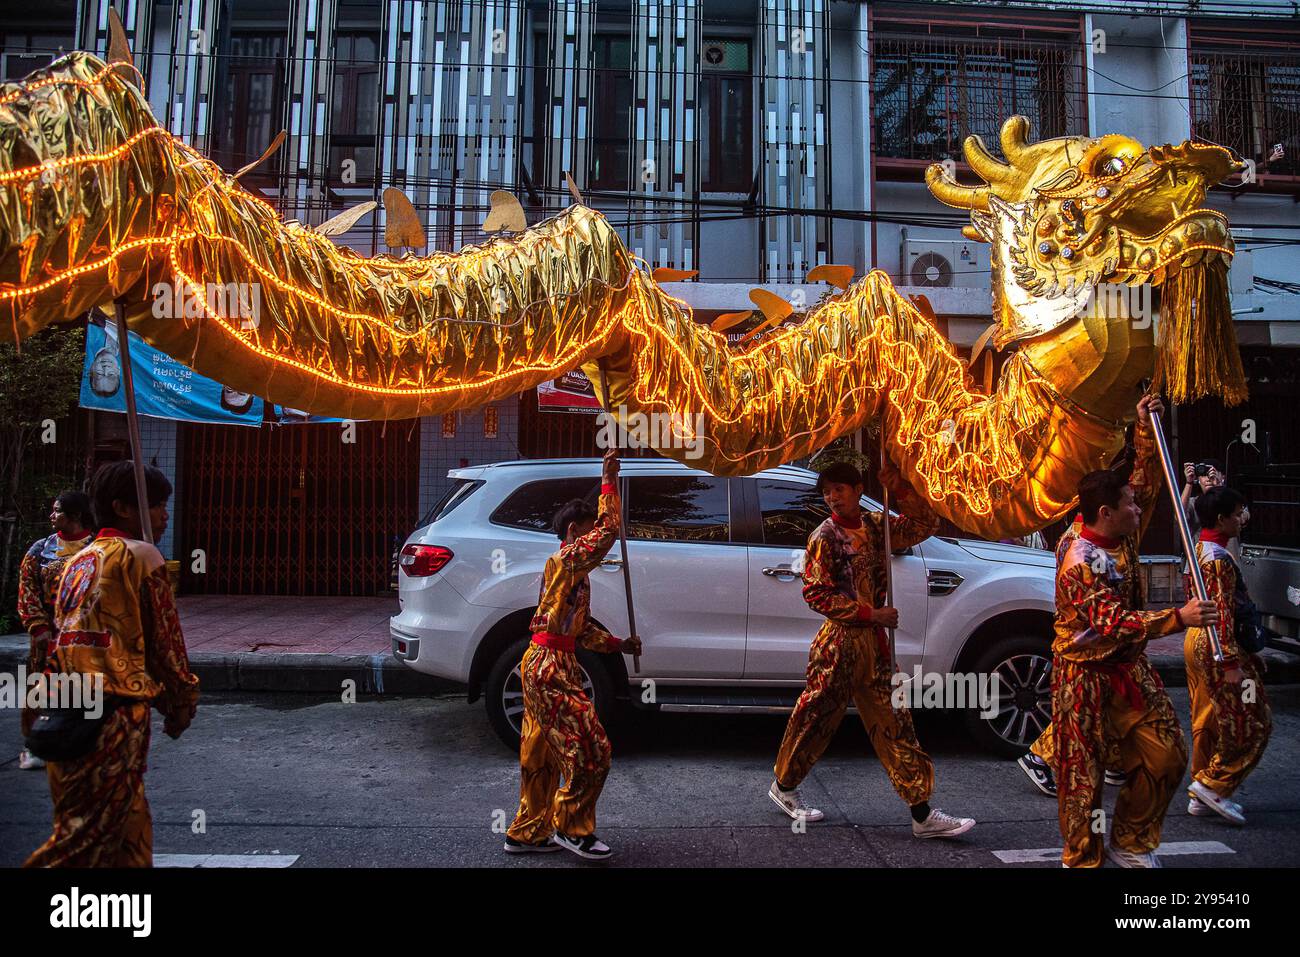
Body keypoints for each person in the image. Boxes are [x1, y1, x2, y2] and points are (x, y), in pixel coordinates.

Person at [767, 459, 975, 839]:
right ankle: (783, 786)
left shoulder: (877, 526)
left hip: (876, 648)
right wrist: (870, 613)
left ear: (858, 489)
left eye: (839, 489)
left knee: (897, 725)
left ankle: (922, 813)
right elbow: (815, 593)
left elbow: (923, 526)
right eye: (827, 491)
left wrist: (901, 488)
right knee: (815, 720)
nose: (832, 497)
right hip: (839, 645)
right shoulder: (824, 537)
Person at [1051, 395, 1218, 868]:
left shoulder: (1119, 531)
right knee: (1082, 778)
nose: (1139, 509)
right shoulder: (1079, 559)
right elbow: (1115, 623)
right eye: (1128, 506)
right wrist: (1177, 618)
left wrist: (1145, 427)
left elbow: (1143, 485)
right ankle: (1082, 858)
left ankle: (1130, 839)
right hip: (1082, 674)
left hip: (1128, 669)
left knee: (1167, 756)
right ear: (1105, 513)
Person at [24, 461, 199, 868]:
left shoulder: (77, 562)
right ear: (123, 507)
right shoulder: (142, 556)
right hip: (112, 716)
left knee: (127, 839)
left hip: (66, 711)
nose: (164, 515)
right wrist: (181, 704)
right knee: (82, 842)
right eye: (156, 505)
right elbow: (167, 649)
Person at [504, 447, 641, 861]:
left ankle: (527, 832)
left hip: (545, 663)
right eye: (587, 530)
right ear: (572, 535)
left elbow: (578, 630)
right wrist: (608, 481)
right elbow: (610, 531)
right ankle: (571, 827)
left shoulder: (570, 575)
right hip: (548, 669)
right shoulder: (567, 558)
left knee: (540, 755)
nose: (594, 539)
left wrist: (618, 645)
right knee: (592, 750)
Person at [1184, 486, 1272, 826]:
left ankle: (1202, 792)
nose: (1241, 520)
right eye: (1236, 514)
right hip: (1217, 646)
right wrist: (1232, 662)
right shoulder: (1218, 560)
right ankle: (1212, 785)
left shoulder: (1201, 548)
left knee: (1208, 721)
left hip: (1203, 642)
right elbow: (1220, 612)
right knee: (1252, 722)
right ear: (1221, 519)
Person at [16, 491, 96, 769]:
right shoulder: (40, 550)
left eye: (58, 511)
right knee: (41, 690)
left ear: (75, 515)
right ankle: (36, 745)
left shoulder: (98, 548)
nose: (52, 516)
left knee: (84, 692)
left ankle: (80, 743)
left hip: (84, 636)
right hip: (48, 635)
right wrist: (37, 625)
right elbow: (28, 591)